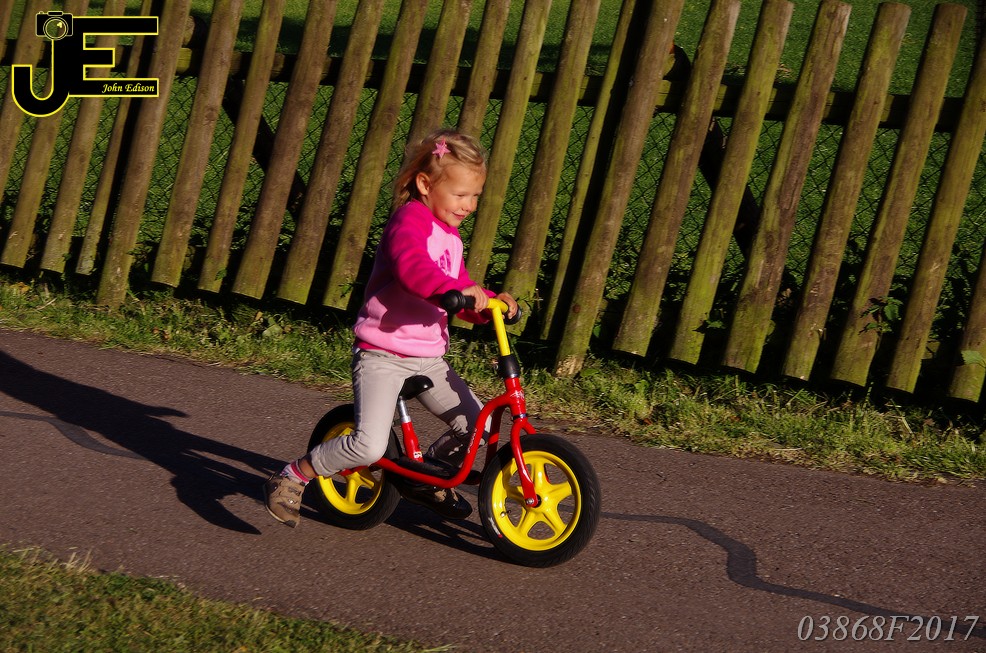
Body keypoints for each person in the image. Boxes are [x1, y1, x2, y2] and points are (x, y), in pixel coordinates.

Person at [264, 128, 518, 528]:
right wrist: (453, 291)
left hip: (428, 358)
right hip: (382, 354)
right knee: (369, 446)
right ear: (425, 185)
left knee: (480, 428)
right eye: (460, 195)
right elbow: (413, 269)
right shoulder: (409, 222)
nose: (469, 206)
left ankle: (426, 477)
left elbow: (459, 288)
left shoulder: (451, 237)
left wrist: (490, 305)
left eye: (475, 196)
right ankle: (294, 475)